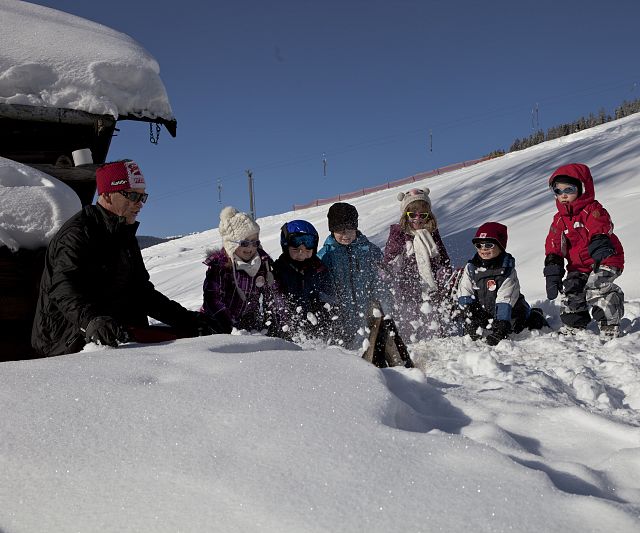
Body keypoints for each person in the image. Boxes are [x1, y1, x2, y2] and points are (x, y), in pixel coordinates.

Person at [31, 160, 214, 357]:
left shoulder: (124, 235)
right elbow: (62, 286)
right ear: (107, 195)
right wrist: (92, 321)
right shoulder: (77, 235)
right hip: (70, 339)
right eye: (132, 195)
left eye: (143, 196)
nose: (139, 203)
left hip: (115, 333)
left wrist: (187, 320)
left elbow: (142, 292)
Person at [543, 163, 625, 339]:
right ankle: (575, 324)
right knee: (572, 289)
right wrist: (553, 269)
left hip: (606, 259)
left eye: (569, 189)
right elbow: (554, 244)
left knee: (596, 286)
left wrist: (599, 243)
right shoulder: (559, 220)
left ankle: (609, 322)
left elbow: (601, 226)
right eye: (558, 191)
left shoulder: (593, 210)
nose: (563, 195)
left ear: (582, 188)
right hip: (579, 266)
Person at [382, 188, 455, 340]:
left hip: (430, 290)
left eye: (423, 215)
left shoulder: (432, 233)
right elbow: (389, 260)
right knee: (410, 329)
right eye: (412, 214)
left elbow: (443, 259)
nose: (417, 218)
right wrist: (401, 249)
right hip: (406, 290)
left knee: (432, 327)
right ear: (405, 215)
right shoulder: (399, 233)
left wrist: (444, 274)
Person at [458, 222, 546, 346]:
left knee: (522, 325)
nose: (483, 249)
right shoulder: (471, 267)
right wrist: (468, 316)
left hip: (511, 312)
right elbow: (465, 291)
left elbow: (505, 299)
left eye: (489, 245)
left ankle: (534, 314)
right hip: (487, 312)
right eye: (479, 245)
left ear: (500, 246)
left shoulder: (507, 271)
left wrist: (501, 326)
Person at [201, 206, 278, 334]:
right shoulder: (220, 267)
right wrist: (227, 326)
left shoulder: (262, 264)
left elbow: (272, 295)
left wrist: (271, 323)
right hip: (217, 323)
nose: (250, 247)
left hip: (248, 324)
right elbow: (212, 299)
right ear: (232, 244)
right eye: (244, 243)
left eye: (255, 242)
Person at [317, 202, 383, 347]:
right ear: (332, 230)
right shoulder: (325, 256)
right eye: (340, 230)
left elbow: (381, 279)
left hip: (367, 315)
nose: (345, 234)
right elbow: (321, 288)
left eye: (349, 229)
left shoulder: (370, 251)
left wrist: (380, 303)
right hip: (341, 319)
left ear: (356, 227)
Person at [272, 220, 334, 340]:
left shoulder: (318, 269)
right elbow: (275, 299)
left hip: (316, 327)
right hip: (288, 328)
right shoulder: (279, 270)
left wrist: (324, 308)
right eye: (296, 250)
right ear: (286, 247)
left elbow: (329, 293)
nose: (301, 254)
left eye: (307, 250)